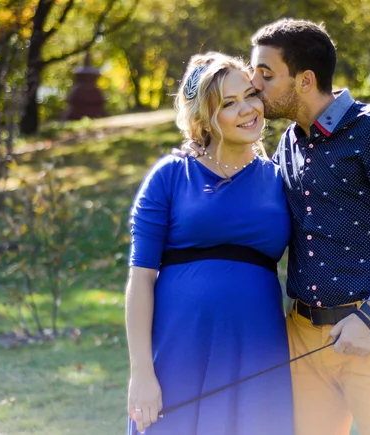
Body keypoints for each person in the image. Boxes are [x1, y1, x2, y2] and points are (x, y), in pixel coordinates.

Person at [249, 18, 370, 435]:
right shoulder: (288, 142)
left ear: (304, 80)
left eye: (266, 74)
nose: (254, 84)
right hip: (301, 335)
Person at [125, 52, 294, 435]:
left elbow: (328, 233)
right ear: (204, 118)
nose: (248, 109)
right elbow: (140, 279)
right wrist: (141, 373)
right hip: (178, 350)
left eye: (250, 95)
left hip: (257, 347)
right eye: (229, 104)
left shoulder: (281, 180)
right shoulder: (170, 175)